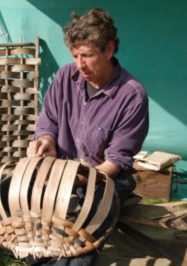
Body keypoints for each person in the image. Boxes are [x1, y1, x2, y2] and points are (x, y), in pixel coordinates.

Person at [26, 7, 149, 266]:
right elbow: (47, 122)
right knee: (22, 196)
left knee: (88, 216)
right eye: (75, 55)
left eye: (88, 55)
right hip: (64, 170)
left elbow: (116, 160)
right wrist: (46, 141)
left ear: (109, 49)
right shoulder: (64, 78)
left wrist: (78, 181)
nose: (80, 65)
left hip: (106, 177)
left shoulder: (132, 95)